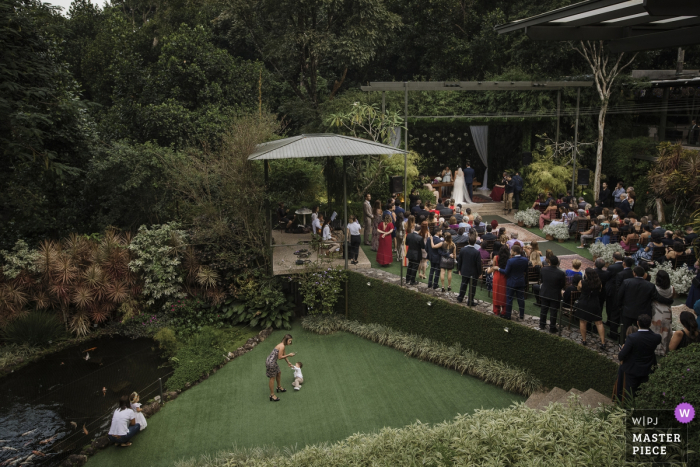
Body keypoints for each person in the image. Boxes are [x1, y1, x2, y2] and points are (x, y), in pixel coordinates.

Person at [617, 266, 675, 343]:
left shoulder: (626, 282)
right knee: (641, 331)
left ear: (634, 273)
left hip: (627, 311)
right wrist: (669, 301)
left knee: (625, 329)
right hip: (642, 313)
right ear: (643, 274)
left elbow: (619, 296)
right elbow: (657, 297)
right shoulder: (650, 285)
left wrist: (619, 307)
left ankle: (622, 344)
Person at [615, 314, 661, 401]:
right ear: (650, 324)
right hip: (647, 369)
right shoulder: (656, 337)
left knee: (630, 394)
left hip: (632, 370)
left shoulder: (632, 338)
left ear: (637, 323)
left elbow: (621, 355)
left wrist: (621, 351)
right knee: (641, 394)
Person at [575, 269, 606, 349]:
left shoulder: (582, 282)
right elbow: (599, 291)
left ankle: (584, 340)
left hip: (584, 302)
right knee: (599, 322)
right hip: (594, 303)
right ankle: (603, 342)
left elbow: (579, 289)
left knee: (583, 321)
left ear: (586, 274)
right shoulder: (599, 283)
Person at [538, 255, 565, 333]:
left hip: (545, 292)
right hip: (555, 294)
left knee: (544, 310)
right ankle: (552, 327)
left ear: (549, 262)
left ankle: (542, 324)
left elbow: (542, 280)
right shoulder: (560, 273)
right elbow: (562, 284)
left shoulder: (543, 270)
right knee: (553, 312)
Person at [650, 270, 674, 356]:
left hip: (656, 310)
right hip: (667, 311)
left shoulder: (654, 288)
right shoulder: (672, 288)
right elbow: (672, 298)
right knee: (665, 330)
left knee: (655, 329)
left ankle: (654, 349)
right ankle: (664, 349)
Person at [266, 334, 295, 402]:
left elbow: (284, 355)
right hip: (271, 363)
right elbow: (280, 357)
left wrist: (288, 362)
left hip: (272, 361)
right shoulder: (281, 346)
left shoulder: (283, 345)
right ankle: (272, 395)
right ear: (286, 340)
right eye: (290, 341)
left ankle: (279, 387)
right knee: (272, 378)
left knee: (279, 372)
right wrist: (289, 355)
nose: (290, 342)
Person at [503, 244, 528, 320]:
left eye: (511, 250)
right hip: (520, 281)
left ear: (514, 251)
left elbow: (506, 272)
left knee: (509, 299)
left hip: (511, 282)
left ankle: (508, 315)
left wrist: (498, 269)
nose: (510, 251)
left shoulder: (510, 261)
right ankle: (521, 314)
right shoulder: (525, 259)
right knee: (521, 298)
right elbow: (525, 270)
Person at [456, 235, 482, 305]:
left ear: (468, 242)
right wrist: (480, 273)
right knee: (472, 287)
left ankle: (460, 298)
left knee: (463, 285)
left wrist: (459, 269)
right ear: (475, 242)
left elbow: (459, 261)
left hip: (464, 271)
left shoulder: (463, 250)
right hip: (473, 273)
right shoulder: (476, 252)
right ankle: (470, 301)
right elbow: (479, 264)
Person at [487, 247, 509, 316]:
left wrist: (488, 270)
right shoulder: (508, 259)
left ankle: (496, 310)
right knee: (504, 293)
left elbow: (493, 268)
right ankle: (504, 311)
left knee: (496, 293)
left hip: (497, 276)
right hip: (505, 277)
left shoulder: (496, 257)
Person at [426, 225, 443, 289]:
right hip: (437, 258)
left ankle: (429, 283)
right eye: (441, 231)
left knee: (432, 270)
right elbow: (440, 251)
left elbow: (426, 248)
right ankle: (435, 285)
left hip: (431, 257)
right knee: (437, 272)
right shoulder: (440, 241)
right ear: (437, 232)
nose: (442, 232)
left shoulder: (429, 239)